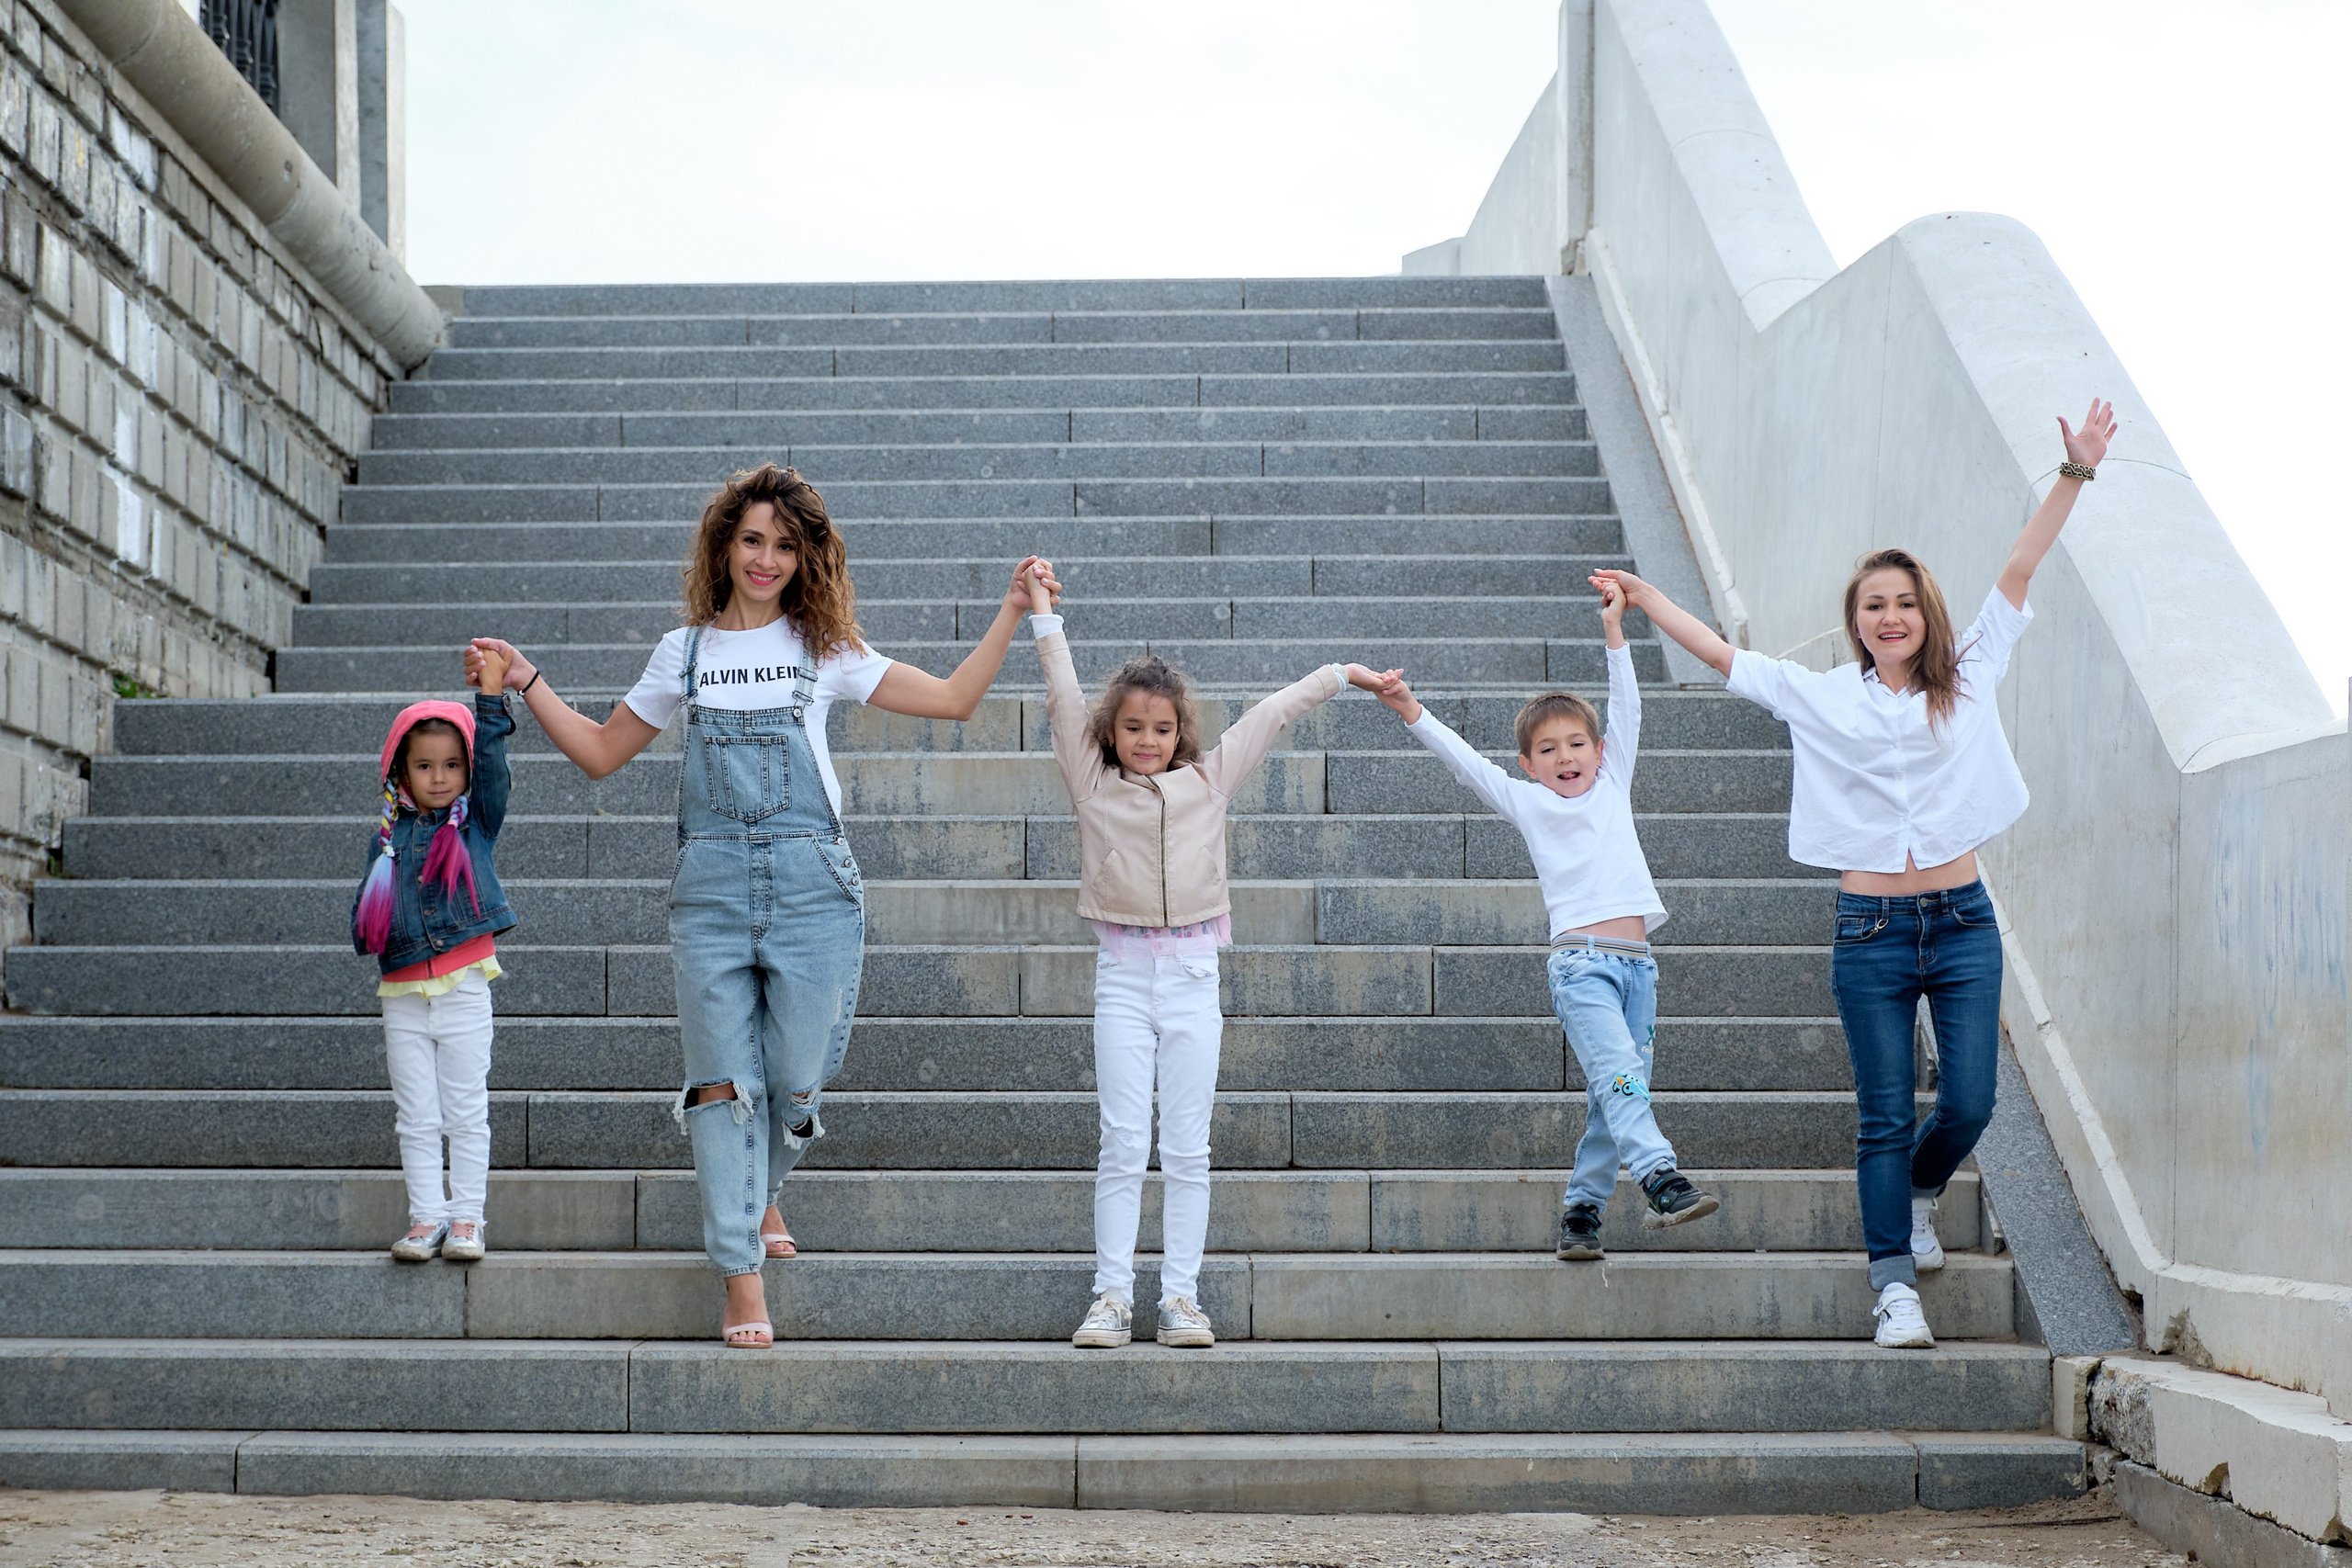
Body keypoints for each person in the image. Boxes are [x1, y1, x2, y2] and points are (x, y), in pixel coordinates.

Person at [466, 462, 1057, 1348]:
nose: (766, 558)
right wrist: (527, 679)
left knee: (794, 1081)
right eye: (752, 540)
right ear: (724, 543)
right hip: (708, 890)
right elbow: (598, 751)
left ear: (805, 555)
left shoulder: (824, 650)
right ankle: (741, 1275)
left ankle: (762, 1183)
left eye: (784, 544)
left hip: (812, 883)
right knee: (719, 1086)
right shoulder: (685, 652)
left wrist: (1012, 609)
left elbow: (955, 700)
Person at [1596, 399, 2118, 1349]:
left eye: (1904, 602)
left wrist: (2074, 472)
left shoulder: (1970, 673)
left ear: (1926, 615)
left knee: (1968, 1102)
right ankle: (1892, 1288)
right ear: (1855, 622)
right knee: (1881, 1112)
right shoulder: (1820, 697)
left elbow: (2018, 568)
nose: (1890, 617)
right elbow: (1720, 655)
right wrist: (1644, 596)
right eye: (1873, 605)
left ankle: (1920, 1192)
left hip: (1961, 922)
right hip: (1869, 935)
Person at [1026, 570, 1387, 1349]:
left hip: (1193, 979)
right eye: (1132, 727)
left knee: (1188, 1146)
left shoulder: (1208, 780)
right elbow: (1061, 698)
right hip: (1123, 981)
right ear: (1111, 733)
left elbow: (1268, 715)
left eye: (1160, 728)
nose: (1147, 740)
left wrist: (1342, 676)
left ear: (1178, 731)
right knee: (1123, 1140)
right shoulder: (1093, 786)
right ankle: (1111, 1297)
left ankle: (1180, 1298)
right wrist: (1043, 614)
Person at [1368, 575, 1718, 1263]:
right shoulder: (1528, 802)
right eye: (1549, 749)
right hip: (1582, 965)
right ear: (1529, 765)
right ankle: (1661, 1177)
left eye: (1577, 743)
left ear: (1599, 749)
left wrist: (1616, 631)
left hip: (1639, 967)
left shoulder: (1614, 780)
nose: (1566, 757)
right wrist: (1408, 706)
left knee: (1614, 1090)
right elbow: (1464, 762)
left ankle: (1581, 1213)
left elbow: (1629, 706)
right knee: (1620, 1075)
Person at [351, 646, 516, 1264]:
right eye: (425, 765)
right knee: (416, 1114)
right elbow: (366, 919)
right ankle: (426, 1218)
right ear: (400, 773)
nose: (440, 776)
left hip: (465, 984)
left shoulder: (475, 827)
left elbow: (495, 768)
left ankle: (467, 1217)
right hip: (402, 993)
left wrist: (491, 699)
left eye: (452, 764)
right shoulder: (386, 842)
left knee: (466, 1110)